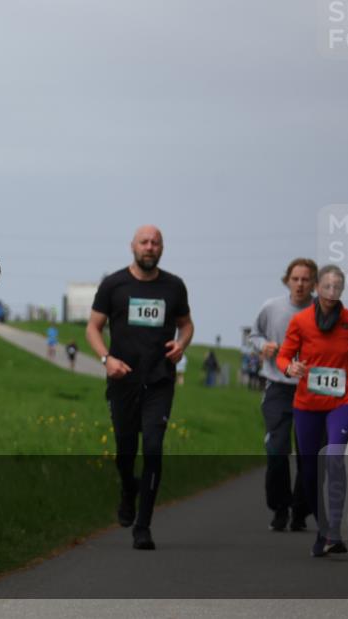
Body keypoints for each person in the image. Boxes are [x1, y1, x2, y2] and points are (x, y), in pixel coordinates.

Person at [85, 225, 194, 551]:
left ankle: (143, 526)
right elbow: (93, 326)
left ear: (162, 248)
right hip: (123, 380)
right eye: (144, 242)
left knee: (154, 449)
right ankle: (128, 489)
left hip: (159, 379)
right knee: (125, 451)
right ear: (133, 246)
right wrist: (107, 359)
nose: (150, 247)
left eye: (155, 242)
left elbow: (186, 324)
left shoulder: (174, 286)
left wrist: (182, 344)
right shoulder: (114, 284)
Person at [276, 265, 348, 557]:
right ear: (318, 287)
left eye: (337, 286)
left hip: (342, 401)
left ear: (342, 290)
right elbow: (284, 356)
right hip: (307, 404)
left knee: (333, 456)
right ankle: (324, 530)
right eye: (326, 286)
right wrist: (290, 367)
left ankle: (335, 530)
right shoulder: (300, 321)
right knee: (309, 470)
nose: (331, 292)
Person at [248, 257, 316, 532]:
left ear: (314, 283)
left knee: (308, 455)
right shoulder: (271, 307)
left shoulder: (321, 310)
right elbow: (253, 335)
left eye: (305, 279)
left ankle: (300, 510)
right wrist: (262, 346)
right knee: (276, 450)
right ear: (287, 280)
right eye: (295, 279)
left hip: (311, 391)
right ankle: (279, 508)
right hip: (277, 387)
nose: (300, 284)